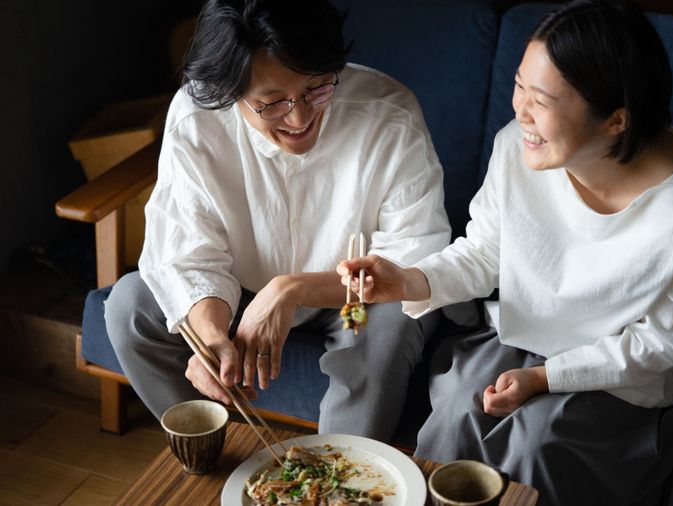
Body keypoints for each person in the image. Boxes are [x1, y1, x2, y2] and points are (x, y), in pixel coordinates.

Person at [338, 0, 673, 503]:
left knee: (535, 445)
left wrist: (543, 379)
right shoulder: (516, 148)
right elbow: (485, 253)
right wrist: (409, 280)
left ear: (615, 120)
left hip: (627, 373)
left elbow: (658, 344)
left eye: (542, 100)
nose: (520, 111)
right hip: (528, 335)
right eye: (518, 86)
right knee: (457, 419)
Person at [104, 0, 451, 442]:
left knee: (392, 325)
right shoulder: (197, 117)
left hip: (353, 296)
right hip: (237, 285)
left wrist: (292, 290)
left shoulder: (390, 113)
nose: (301, 117)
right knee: (129, 306)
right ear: (231, 95)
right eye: (272, 104)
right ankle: (221, 457)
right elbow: (188, 251)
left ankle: (342, 477)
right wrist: (210, 335)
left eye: (317, 89)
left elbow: (414, 256)